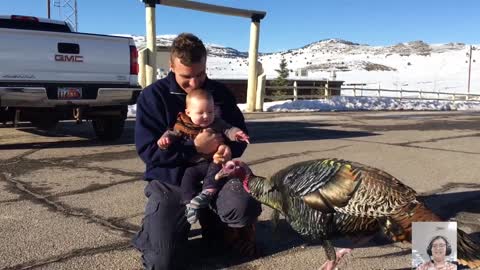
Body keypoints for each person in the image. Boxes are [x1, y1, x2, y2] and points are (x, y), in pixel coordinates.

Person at [133, 32, 262, 269]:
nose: (194, 83)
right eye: (186, 77)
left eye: (200, 74)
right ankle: (152, 235)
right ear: (171, 66)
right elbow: (148, 152)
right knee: (163, 263)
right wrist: (193, 147)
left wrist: (227, 148)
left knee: (243, 206)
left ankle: (218, 228)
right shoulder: (153, 96)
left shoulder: (219, 93)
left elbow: (240, 136)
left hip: (215, 172)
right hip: (172, 178)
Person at [157, 88, 250, 222]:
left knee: (214, 173)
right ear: (188, 112)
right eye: (200, 113)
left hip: (213, 160)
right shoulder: (182, 125)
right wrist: (165, 140)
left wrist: (237, 134)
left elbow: (228, 129)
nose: (206, 116)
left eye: (210, 112)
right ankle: (190, 203)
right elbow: (171, 134)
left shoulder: (216, 122)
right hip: (194, 164)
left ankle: (208, 192)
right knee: (187, 178)